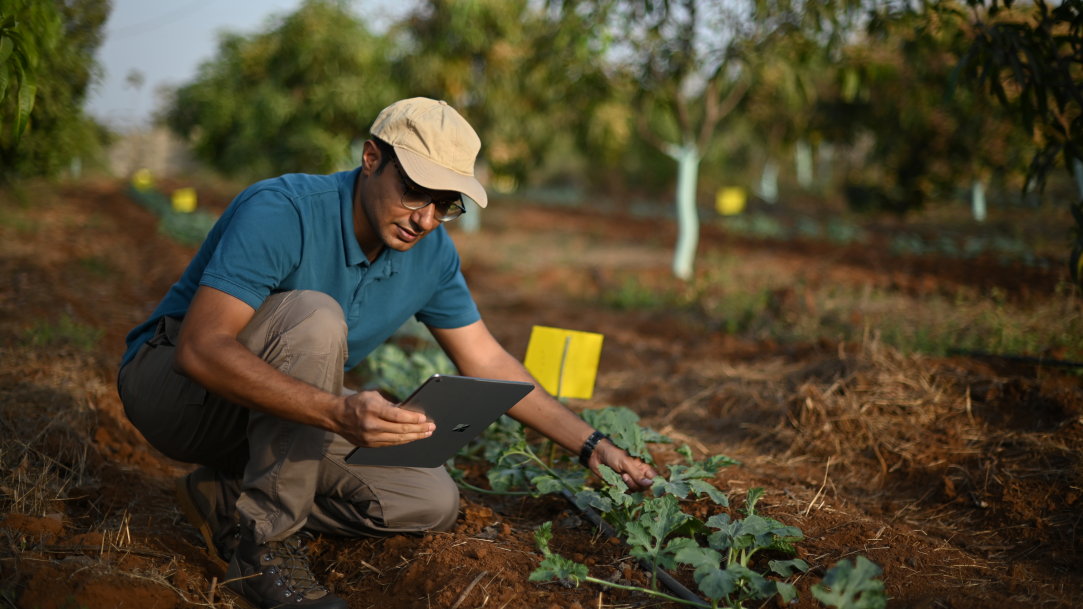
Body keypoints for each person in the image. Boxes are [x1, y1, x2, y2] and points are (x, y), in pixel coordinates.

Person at [117, 98, 658, 609]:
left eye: (446, 206)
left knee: (429, 499)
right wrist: (335, 412)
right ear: (371, 158)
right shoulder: (284, 210)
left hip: (271, 412)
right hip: (176, 395)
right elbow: (201, 347)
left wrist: (593, 446)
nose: (424, 218)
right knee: (316, 317)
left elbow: (488, 361)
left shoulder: (433, 255)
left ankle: (223, 495)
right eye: (416, 191)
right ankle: (264, 547)